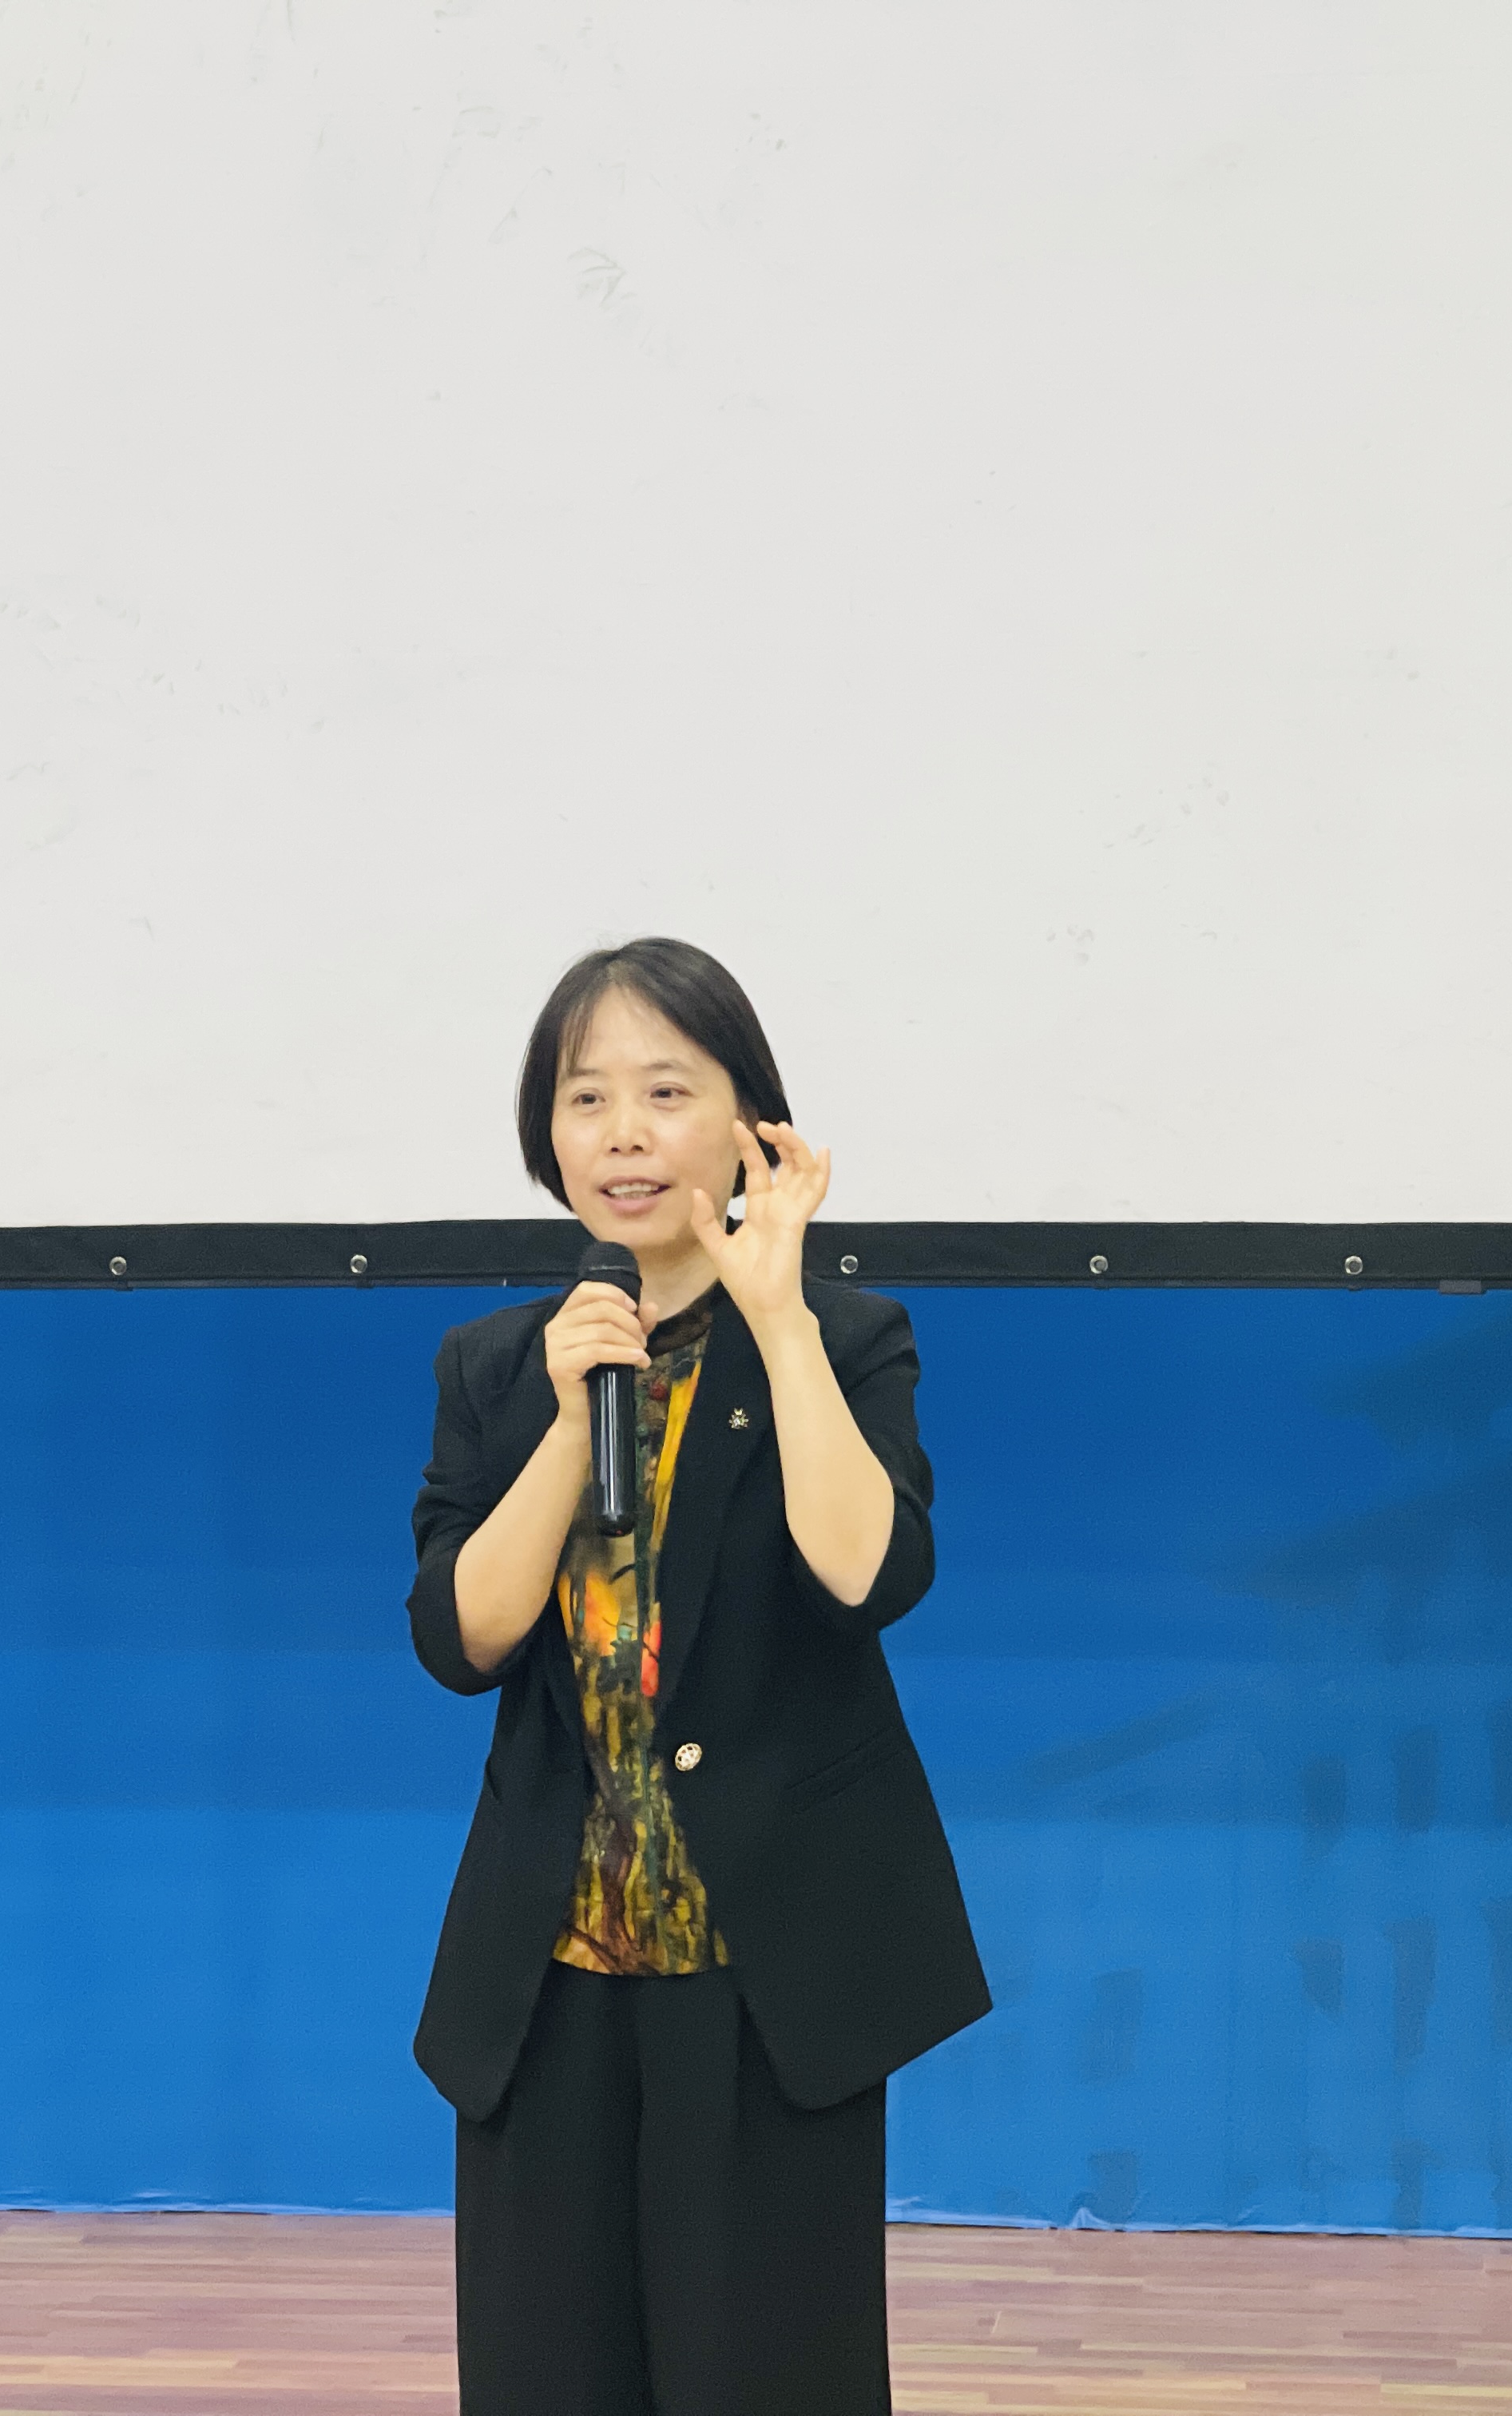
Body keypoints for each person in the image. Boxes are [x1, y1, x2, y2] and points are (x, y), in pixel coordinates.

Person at [406, 936, 989, 2415]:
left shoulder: (845, 1338)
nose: (624, 1134)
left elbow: (871, 1576)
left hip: (766, 1973)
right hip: (550, 1975)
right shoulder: (501, 1364)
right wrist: (567, 1423)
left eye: (666, 1093)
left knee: (766, 2379)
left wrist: (778, 1319)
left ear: (748, 1128)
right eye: (587, 1097)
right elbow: (460, 1639)